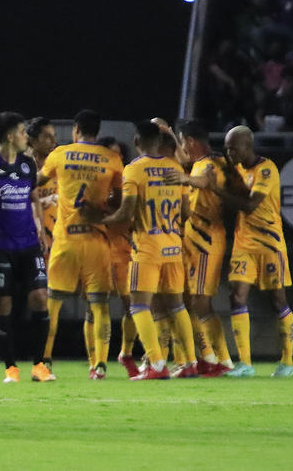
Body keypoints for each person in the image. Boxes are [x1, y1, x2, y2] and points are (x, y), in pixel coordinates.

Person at [88, 120, 196, 380]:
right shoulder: (174, 167)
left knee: (138, 305)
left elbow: (126, 213)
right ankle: (190, 363)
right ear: (159, 142)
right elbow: (186, 212)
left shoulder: (134, 169)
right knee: (177, 305)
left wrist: (101, 220)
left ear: (136, 141)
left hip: (147, 248)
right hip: (173, 246)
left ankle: (156, 364)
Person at [0, 113, 52, 384]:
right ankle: (10, 368)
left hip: (28, 243)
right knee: (2, 304)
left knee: (40, 297)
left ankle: (40, 366)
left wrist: (40, 229)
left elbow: (34, 199)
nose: (26, 137)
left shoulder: (27, 164)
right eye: (22, 132)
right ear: (9, 136)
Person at [38, 109, 123, 379]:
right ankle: (99, 365)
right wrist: (102, 209)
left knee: (53, 306)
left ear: (76, 129)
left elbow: (34, 183)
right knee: (99, 306)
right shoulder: (111, 158)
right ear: (97, 131)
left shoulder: (60, 154)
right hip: (96, 241)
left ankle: (44, 362)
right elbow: (121, 200)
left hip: (65, 241)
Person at [215, 126, 293, 377]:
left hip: (270, 244)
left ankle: (287, 361)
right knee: (237, 296)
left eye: (233, 148)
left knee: (278, 300)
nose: (229, 153)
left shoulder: (266, 169)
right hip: (244, 244)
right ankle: (245, 363)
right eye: (226, 148)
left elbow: (250, 205)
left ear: (247, 146)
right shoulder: (236, 169)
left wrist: (215, 189)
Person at [163, 119, 237, 377]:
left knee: (201, 303)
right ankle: (206, 358)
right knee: (187, 301)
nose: (181, 148)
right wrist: (169, 133)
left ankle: (223, 360)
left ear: (191, 141)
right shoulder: (196, 163)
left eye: (183, 142)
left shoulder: (212, 163)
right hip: (192, 240)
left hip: (207, 240)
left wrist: (184, 178)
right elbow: (183, 159)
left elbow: (205, 181)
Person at [95, 137, 140, 378]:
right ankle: (97, 362)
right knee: (95, 306)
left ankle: (126, 353)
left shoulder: (130, 181)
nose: (117, 159)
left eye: (119, 155)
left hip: (124, 250)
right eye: (111, 154)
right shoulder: (94, 182)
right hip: (99, 249)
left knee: (132, 305)